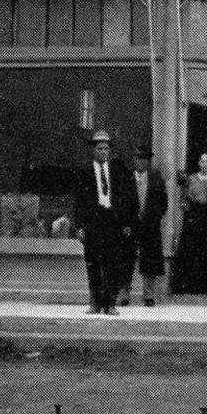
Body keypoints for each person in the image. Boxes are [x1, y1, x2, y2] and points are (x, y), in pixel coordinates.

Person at [72, 130, 137, 315]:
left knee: (113, 263)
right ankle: (95, 301)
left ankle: (110, 303)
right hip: (93, 221)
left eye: (106, 149)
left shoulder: (117, 172)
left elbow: (126, 199)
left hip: (112, 221)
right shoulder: (84, 172)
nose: (103, 152)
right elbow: (79, 201)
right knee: (93, 262)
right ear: (93, 150)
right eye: (100, 149)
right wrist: (80, 226)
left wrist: (126, 223)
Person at [120, 146, 168, 307]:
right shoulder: (126, 179)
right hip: (130, 226)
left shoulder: (156, 179)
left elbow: (163, 203)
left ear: (148, 162)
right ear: (133, 160)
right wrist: (125, 222)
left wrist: (154, 218)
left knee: (150, 259)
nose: (141, 162)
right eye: (138, 158)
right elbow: (121, 204)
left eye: (144, 159)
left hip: (150, 225)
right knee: (126, 258)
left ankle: (148, 294)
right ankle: (124, 293)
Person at [173, 152, 207, 294]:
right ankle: (189, 285)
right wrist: (190, 211)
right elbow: (182, 200)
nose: (204, 164)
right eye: (202, 161)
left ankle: (205, 285)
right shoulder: (191, 179)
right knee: (191, 250)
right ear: (198, 163)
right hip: (194, 217)